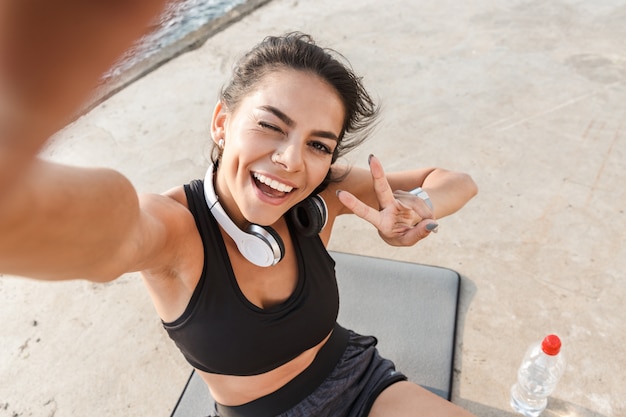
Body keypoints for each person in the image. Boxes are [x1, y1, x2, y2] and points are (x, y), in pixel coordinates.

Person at [0, 31, 478, 416]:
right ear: (222, 123)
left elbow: (457, 181)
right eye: (271, 125)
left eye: (318, 144)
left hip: (357, 379)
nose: (291, 160)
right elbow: (104, 223)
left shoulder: (325, 193)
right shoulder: (172, 229)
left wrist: (420, 206)